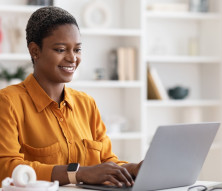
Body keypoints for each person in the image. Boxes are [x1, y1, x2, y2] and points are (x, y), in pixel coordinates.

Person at [0, 6, 141, 187]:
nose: (72, 58)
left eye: (77, 49)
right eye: (60, 50)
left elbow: (107, 162)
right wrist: (79, 173)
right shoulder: (8, 102)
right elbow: (5, 167)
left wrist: (134, 169)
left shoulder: (86, 104)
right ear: (35, 51)